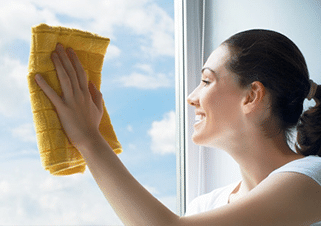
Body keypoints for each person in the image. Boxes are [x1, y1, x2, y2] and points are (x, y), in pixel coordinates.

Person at [35, 29, 321, 225]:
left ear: (251, 96)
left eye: (207, 81)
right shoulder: (207, 206)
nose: (191, 97)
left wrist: (88, 138)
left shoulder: (312, 178)